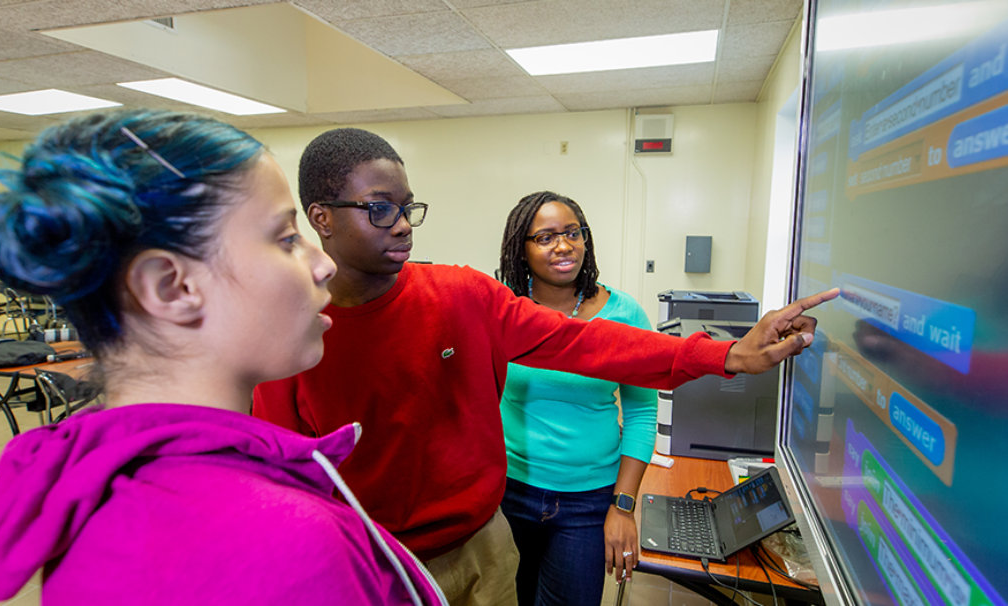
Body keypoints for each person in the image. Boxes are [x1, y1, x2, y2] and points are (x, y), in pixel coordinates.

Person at [252, 126, 838, 606]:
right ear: (321, 218)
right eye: (380, 210)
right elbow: (282, 474)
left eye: (408, 208)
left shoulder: (461, 295)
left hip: (482, 546)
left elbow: (589, 345)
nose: (403, 224)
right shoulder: (292, 332)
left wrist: (729, 354)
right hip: (374, 562)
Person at [0, 111, 445, 606]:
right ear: (172, 287)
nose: (323, 264)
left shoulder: (104, 483)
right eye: (286, 239)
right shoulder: (283, 540)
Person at [496, 190, 657, 605]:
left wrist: (622, 507)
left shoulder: (624, 314)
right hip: (509, 492)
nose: (564, 245)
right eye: (546, 237)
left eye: (573, 233)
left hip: (588, 503)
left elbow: (642, 412)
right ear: (521, 248)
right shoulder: (504, 311)